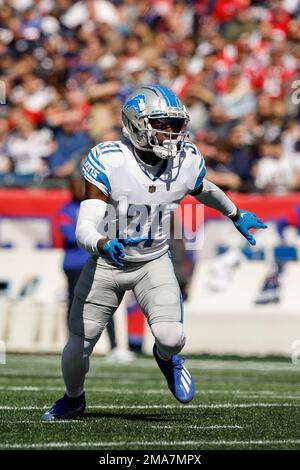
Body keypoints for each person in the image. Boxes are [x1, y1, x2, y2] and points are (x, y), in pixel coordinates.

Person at [42, 85, 267, 420]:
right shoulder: (110, 159)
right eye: (164, 124)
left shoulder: (186, 160)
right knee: (81, 341)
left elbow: (203, 189)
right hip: (107, 262)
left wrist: (236, 213)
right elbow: (84, 226)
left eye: (177, 126)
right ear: (136, 124)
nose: (173, 133)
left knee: (171, 337)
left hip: (152, 260)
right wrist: (103, 243)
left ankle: (167, 358)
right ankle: (73, 398)